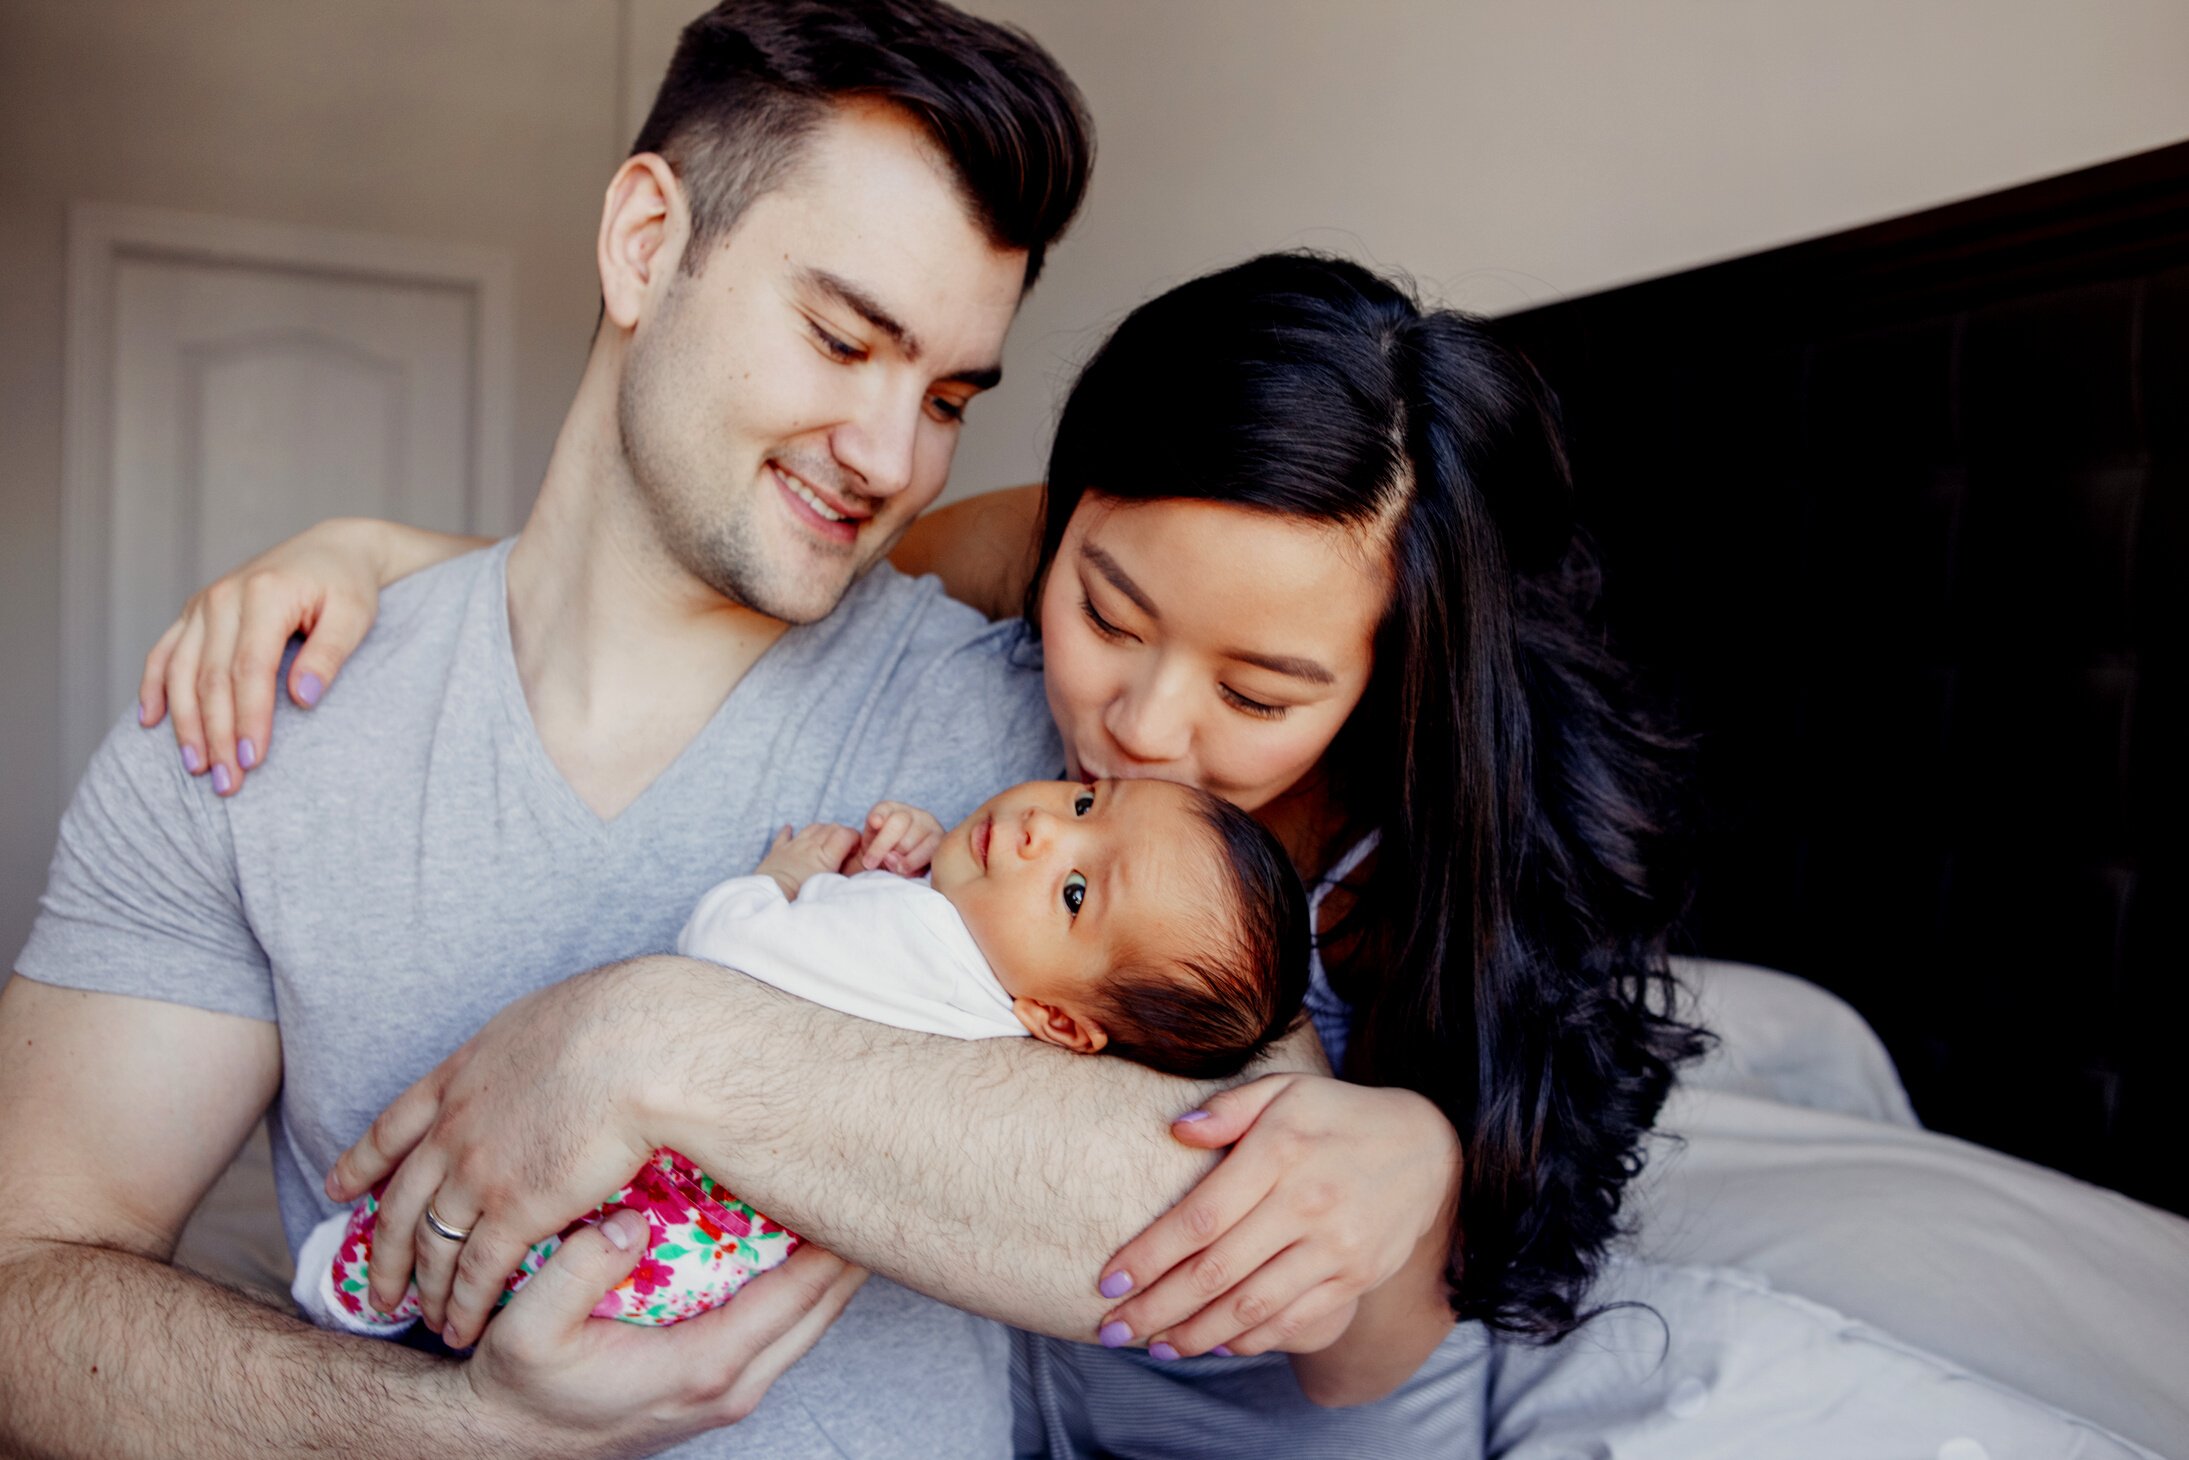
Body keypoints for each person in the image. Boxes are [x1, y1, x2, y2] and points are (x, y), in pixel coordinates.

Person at [136, 253, 1708, 1451]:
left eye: (1258, 691)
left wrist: (1416, 1160)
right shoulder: (1063, 561)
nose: (1142, 726)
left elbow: (1353, 1362)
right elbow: (705, 580)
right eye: (1104, 612)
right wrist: (388, 563)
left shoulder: (1433, 871)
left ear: (1405, 675)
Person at [0, 2, 1097, 1457]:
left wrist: (653, 1040)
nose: (892, 458)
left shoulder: (1033, 747)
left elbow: (1232, 1210)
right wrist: (463, 1427)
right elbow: (25, 1299)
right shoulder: (254, 714)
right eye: (842, 338)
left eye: (949, 395)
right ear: (646, 243)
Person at [300, 780, 1310, 1338]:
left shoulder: (925, 948)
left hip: (672, 1190)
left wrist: (772, 880)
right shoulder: (1001, 999)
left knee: (496, 1220)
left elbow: (731, 961)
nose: (1047, 827)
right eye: (1089, 800)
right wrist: (930, 849)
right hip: (725, 1252)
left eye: (1077, 893)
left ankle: (355, 1283)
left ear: (1063, 1023)